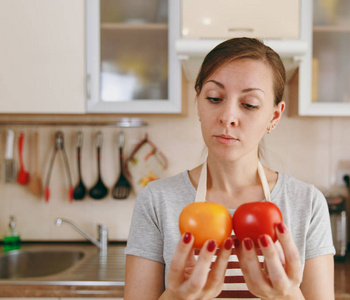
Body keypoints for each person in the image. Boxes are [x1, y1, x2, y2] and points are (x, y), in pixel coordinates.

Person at [124, 37, 335, 299]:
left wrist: (288, 296)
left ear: (274, 116)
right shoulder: (156, 201)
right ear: (198, 102)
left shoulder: (307, 204)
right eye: (214, 98)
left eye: (249, 104)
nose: (227, 117)